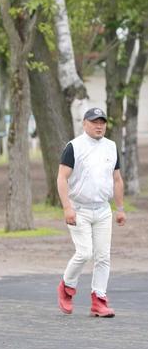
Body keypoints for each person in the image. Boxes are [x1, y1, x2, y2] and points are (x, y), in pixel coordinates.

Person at [56, 107, 126, 317]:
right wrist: (67, 207)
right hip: (79, 209)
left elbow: (117, 179)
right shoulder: (74, 147)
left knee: (103, 256)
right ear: (85, 123)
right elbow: (61, 178)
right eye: (94, 121)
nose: (99, 126)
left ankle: (99, 300)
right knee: (85, 252)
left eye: (102, 122)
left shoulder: (111, 147)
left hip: (103, 209)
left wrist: (120, 209)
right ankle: (67, 287)